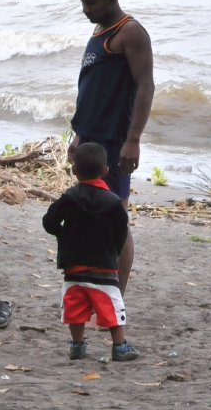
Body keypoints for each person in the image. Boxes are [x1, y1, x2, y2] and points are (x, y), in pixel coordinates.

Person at [68, 0, 153, 294]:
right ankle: (98, 286)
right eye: (82, 1)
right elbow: (93, 87)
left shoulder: (130, 32)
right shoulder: (100, 29)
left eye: (90, 2)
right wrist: (78, 135)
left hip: (113, 142)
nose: (85, 8)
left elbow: (146, 85)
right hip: (89, 137)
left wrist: (133, 140)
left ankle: (116, 294)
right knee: (93, 215)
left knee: (115, 215)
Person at [43, 142, 140, 362]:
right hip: (103, 266)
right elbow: (121, 232)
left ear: (75, 169)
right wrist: (113, 251)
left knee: (75, 307)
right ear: (106, 172)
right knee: (112, 306)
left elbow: (49, 222)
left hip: (73, 265)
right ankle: (119, 347)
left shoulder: (69, 197)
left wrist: (63, 236)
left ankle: (77, 345)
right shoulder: (114, 203)